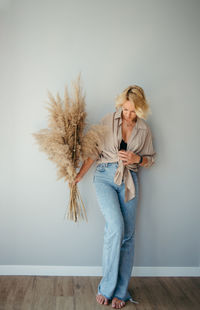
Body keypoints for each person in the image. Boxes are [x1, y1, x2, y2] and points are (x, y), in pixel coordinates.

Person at [74, 85, 156, 308]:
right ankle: (106, 288)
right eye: (125, 109)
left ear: (140, 110)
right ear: (120, 105)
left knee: (128, 235)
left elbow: (151, 158)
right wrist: (80, 174)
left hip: (129, 180)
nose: (127, 115)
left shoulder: (144, 129)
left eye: (132, 111)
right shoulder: (108, 120)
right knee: (116, 227)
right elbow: (93, 151)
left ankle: (121, 291)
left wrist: (136, 159)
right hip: (105, 177)